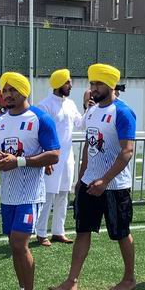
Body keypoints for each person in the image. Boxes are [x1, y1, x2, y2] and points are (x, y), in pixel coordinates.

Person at [50, 63, 137, 290]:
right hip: (90, 183)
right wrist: (82, 178)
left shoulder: (123, 112)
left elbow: (127, 151)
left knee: (121, 233)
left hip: (115, 186)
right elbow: (89, 147)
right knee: (82, 231)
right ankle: (72, 281)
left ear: (111, 85)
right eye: (92, 83)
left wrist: (105, 180)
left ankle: (129, 278)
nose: (93, 88)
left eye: (98, 84)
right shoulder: (92, 111)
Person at [0, 72, 60, 290]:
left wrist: (19, 161)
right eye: (5, 91)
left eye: (13, 90)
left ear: (24, 91)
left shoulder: (40, 118)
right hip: (8, 195)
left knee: (19, 243)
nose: (7, 95)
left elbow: (54, 154)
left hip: (30, 193)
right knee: (14, 246)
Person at [36, 69, 84, 246]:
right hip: (51, 157)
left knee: (64, 193)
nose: (70, 85)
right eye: (67, 82)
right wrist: (45, 159)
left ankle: (58, 231)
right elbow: (40, 133)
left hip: (67, 158)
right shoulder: (44, 105)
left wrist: (90, 109)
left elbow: (81, 124)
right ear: (58, 84)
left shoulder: (70, 104)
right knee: (48, 195)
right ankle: (41, 233)